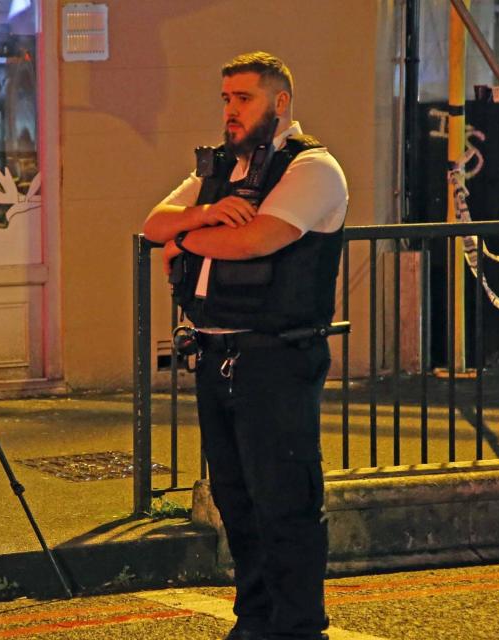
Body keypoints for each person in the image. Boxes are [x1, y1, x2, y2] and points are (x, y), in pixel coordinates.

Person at [143, 52, 348, 640]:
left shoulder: (313, 169)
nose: (230, 111)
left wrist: (189, 240)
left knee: (284, 500)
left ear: (280, 102)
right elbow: (155, 223)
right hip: (215, 354)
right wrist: (202, 216)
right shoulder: (220, 170)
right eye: (226, 99)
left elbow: (258, 241)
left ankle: (298, 626)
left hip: (277, 355)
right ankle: (255, 620)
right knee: (236, 500)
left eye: (244, 99)